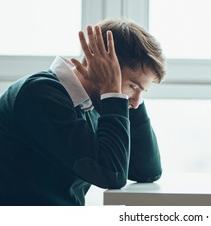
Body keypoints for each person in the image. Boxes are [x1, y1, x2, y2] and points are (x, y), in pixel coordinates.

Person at [0, 18, 166, 206]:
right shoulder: (40, 95)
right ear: (101, 68)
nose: (136, 103)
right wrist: (113, 92)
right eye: (133, 86)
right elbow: (111, 175)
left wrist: (125, 96)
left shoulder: (91, 103)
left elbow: (147, 171)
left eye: (142, 91)